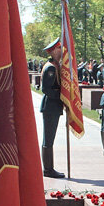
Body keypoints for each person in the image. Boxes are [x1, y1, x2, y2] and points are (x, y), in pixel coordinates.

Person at [39, 37, 66, 178]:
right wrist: (62, 95)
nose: (61, 51)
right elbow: (46, 89)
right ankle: (48, 169)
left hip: (53, 106)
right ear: (54, 51)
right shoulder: (50, 67)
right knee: (48, 139)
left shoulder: (54, 65)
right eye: (59, 48)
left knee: (50, 138)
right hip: (50, 106)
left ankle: (49, 168)